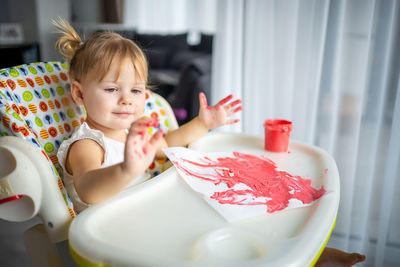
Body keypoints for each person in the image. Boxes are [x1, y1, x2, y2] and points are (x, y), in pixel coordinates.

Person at [53, 19, 365, 266]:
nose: (126, 100)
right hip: (116, 236)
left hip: (152, 216)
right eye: (111, 90)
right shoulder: (87, 145)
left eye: (135, 91)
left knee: (226, 214)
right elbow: (90, 190)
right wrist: (126, 169)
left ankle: (295, 252)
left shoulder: (134, 131)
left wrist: (203, 124)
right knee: (207, 243)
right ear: (80, 94)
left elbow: (169, 141)